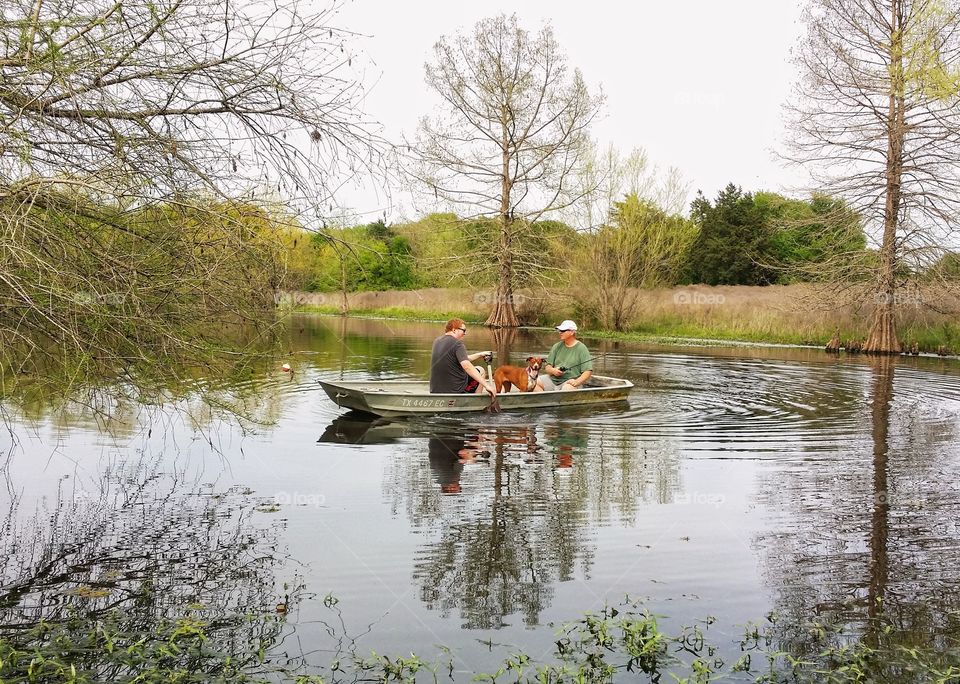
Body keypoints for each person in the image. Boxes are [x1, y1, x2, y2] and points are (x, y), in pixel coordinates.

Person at [429, 318, 497, 397]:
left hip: (436, 390)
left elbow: (459, 359)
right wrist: (486, 385)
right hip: (455, 390)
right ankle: (476, 400)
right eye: (463, 330)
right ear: (454, 330)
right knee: (481, 370)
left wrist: (480, 355)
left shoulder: (437, 341)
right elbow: (466, 366)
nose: (465, 333)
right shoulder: (458, 344)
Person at [535, 320, 592, 391]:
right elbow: (547, 367)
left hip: (570, 382)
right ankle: (543, 400)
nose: (560, 333)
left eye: (563, 330)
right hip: (553, 380)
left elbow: (587, 371)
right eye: (559, 330)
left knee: (567, 388)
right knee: (532, 382)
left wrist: (577, 382)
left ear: (572, 332)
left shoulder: (582, 348)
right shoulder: (556, 346)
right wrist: (553, 371)